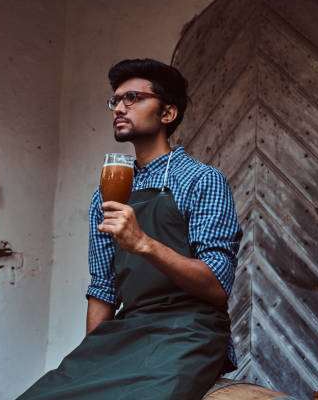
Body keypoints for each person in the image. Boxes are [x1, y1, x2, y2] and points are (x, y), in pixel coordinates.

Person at [18, 58, 242, 400]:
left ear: (167, 114)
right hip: (127, 329)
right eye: (115, 100)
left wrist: (143, 243)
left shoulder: (201, 180)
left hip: (188, 332)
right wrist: (89, 357)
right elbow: (104, 287)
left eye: (133, 98)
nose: (119, 108)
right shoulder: (105, 192)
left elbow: (217, 285)